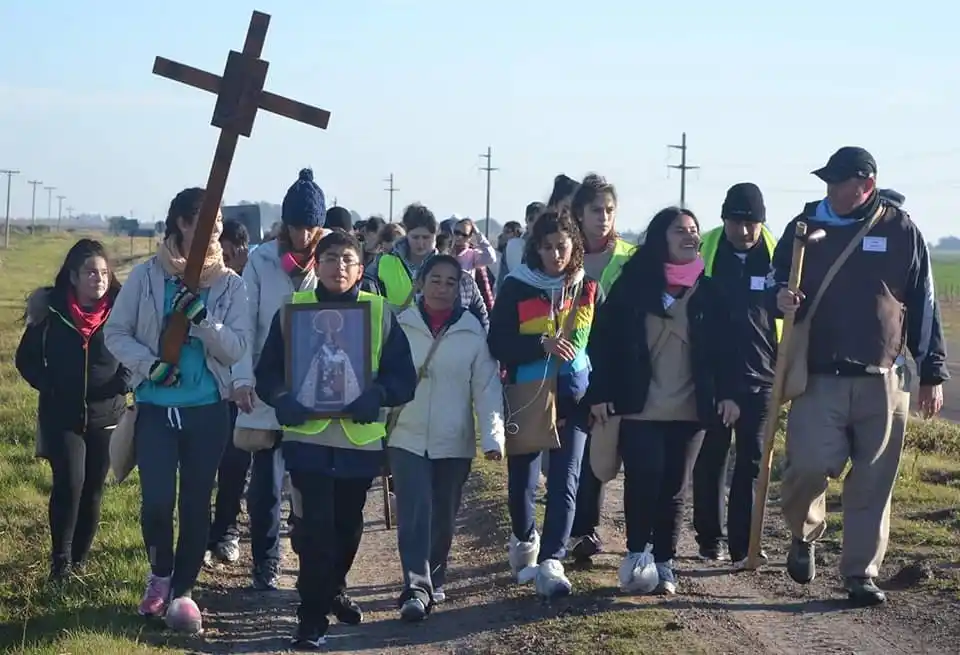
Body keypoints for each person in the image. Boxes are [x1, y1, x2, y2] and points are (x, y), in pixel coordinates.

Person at [774, 146, 948, 606]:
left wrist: (932, 371)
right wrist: (779, 296)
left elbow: (923, 303)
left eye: (839, 181)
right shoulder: (805, 226)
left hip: (883, 377)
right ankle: (803, 533)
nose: (830, 189)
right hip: (818, 375)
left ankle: (860, 573)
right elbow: (774, 278)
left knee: (874, 481)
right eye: (828, 180)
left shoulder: (901, 229)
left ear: (865, 185)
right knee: (808, 467)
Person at [254, 230, 417, 649]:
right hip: (307, 440)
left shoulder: (378, 313)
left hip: (358, 442)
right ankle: (310, 618)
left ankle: (333, 587)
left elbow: (404, 377)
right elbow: (267, 371)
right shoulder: (292, 311)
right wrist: (281, 398)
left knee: (347, 526)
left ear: (360, 269)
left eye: (347, 259)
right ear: (316, 265)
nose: (338, 266)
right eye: (329, 258)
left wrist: (378, 395)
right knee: (314, 529)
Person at [103, 187, 249, 634]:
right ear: (182, 225)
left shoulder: (230, 285)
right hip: (155, 409)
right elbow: (116, 333)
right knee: (157, 501)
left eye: (220, 221)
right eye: (207, 221)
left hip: (206, 410)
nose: (216, 229)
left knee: (193, 503)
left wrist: (204, 321)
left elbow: (237, 348)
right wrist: (150, 367)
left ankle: (184, 589)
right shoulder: (148, 277)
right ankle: (159, 575)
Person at [586, 206, 740, 596]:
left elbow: (729, 352)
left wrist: (729, 394)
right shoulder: (632, 286)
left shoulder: (711, 291)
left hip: (691, 409)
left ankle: (665, 562)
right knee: (643, 478)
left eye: (693, 230)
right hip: (639, 405)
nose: (690, 236)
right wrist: (600, 393)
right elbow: (603, 344)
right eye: (679, 231)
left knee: (675, 485)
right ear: (660, 238)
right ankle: (637, 554)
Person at [220, 170, 329, 592]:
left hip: (317, 390)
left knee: (309, 485)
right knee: (264, 486)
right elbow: (244, 324)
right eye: (296, 225)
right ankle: (265, 561)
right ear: (284, 223)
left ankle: (307, 557)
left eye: (310, 225)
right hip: (267, 390)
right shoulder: (262, 262)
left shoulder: (333, 258)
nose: (303, 234)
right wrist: (242, 379)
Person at [488, 208, 602, 599]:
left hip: (576, 396)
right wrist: (540, 344)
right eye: (548, 247)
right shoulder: (517, 286)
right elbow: (497, 343)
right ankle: (525, 540)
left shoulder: (588, 288)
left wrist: (600, 394)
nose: (556, 254)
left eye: (563, 247)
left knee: (566, 479)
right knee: (523, 482)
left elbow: (599, 345)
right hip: (528, 393)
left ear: (574, 248)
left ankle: (553, 559)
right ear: (536, 248)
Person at [388, 255, 505, 621]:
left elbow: (486, 388)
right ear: (420, 283)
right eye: (435, 279)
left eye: (451, 282)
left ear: (460, 288)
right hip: (406, 435)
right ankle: (415, 587)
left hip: (454, 439)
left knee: (443, 513)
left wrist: (493, 437)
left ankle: (434, 577)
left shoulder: (472, 331)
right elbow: (383, 378)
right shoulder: (399, 326)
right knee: (414, 511)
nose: (442, 288)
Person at [15, 239, 129, 582]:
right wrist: (50, 387)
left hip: (106, 416)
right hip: (61, 415)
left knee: (94, 486)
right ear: (74, 277)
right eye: (91, 272)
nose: (99, 278)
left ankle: (80, 561)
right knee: (69, 482)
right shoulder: (50, 313)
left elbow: (137, 353)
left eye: (104, 272)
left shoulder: (122, 312)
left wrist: (123, 382)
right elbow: (26, 360)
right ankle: (60, 563)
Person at [691, 183, 780, 567]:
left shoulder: (778, 255)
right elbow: (703, 331)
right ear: (724, 220)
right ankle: (710, 539)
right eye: (736, 222)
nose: (744, 232)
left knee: (752, 461)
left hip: (762, 379)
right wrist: (722, 390)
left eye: (751, 224)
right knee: (711, 458)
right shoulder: (706, 253)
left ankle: (744, 543)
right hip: (713, 376)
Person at [567, 174, 637, 565]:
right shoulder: (566, 257)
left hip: (621, 366)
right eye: (596, 210)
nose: (603, 217)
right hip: (574, 367)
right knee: (585, 457)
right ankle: (583, 531)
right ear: (580, 213)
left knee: (626, 456)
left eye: (610, 210)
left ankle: (637, 539)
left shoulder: (630, 257)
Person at [206, 220, 257, 571]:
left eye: (225, 254)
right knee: (204, 467)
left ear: (240, 250)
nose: (220, 260)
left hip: (243, 389)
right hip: (210, 389)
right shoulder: (210, 284)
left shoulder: (255, 281)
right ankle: (202, 536)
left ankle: (227, 530)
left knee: (235, 466)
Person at [365, 203, 489, 329]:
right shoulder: (383, 263)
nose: (421, 243)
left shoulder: (453, 272)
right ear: (406, 234)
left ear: (435, 237)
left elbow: (481, 317)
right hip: (397, 339)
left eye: (426, 237)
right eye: (415, 237)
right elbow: (367, 304)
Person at [503, 202, 545, 285]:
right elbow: (503, 277)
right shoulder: (514, 246)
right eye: (531, 219)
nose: (535, 223)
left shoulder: (551, 245)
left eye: (540, 220)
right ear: (526, 220)